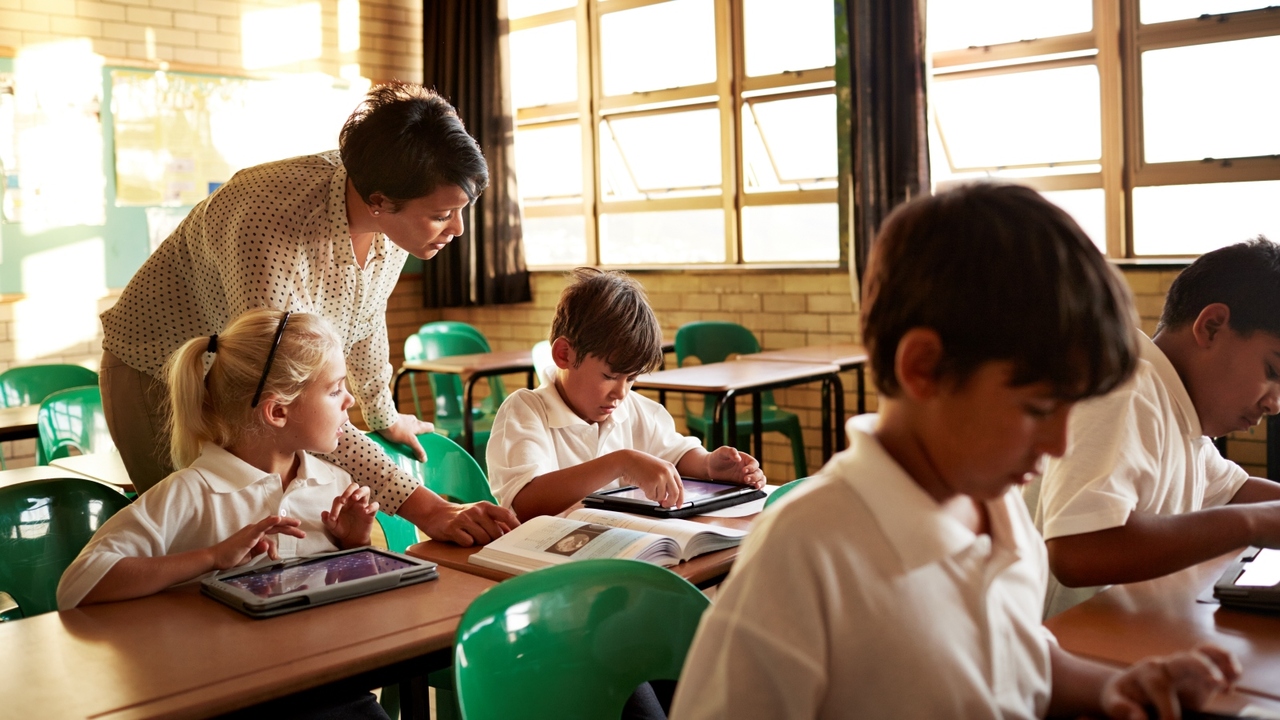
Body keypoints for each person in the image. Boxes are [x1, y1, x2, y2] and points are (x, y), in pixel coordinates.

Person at [670, 184, 1240, 720]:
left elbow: (1017, 655)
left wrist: (1113, 685)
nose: (1060, 444)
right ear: (924, 369)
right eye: (1040, 408)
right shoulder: (808, 551)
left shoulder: (998, 504)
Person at [98, 81, 516, 546]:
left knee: (268, 550)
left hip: (259, 390)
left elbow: (365, 316)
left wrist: (382, 413)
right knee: (195, 545)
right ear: (379, 202)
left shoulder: (393, 211)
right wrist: (429, 508)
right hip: (158, 369)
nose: (457, 229)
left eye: (462, 210)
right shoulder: (269, 224)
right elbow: (294, 391)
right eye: (442, 215)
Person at [58, 309, 377, 610]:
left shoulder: (335, 484)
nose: (350, 399)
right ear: (278, 411)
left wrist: (354, 546)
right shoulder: (189, 493)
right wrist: (211, 557)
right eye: (335, 390)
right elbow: (77, 586)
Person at [1035, 238, 1280, 617]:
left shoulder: (1181, 413)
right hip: (1061, 650)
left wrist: (1259, 515)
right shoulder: (1125, 386)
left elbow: (1236, 492)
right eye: (1272, 372)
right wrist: (1252, 524)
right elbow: (1076, 552)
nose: (1274, 403)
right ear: (1212, 327)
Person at [486, 267, 766, 521]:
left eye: (631, 378)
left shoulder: (633, 409)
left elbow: (674, 453)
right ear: (564, 355)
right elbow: (527, 502)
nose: (620, 393)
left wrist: (708, 467)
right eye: (609, 376)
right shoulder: (525, 411)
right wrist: (620, 462)